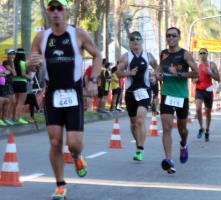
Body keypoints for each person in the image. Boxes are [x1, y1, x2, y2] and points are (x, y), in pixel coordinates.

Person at [26, 0, 102, 199]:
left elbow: (97, 55)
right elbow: (30, 67)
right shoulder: (41, 37)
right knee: (55, 140)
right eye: (52, 8)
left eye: (60, 7)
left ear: (66, 11)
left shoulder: (78, 34)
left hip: (73, 93)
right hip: (52, 93)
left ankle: (77, 156)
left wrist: (93, 80)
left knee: (74, 143)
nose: (56, 12)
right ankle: (60, 184)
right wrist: (30, 64)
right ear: (48, 11)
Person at [156, 27, 199, 174]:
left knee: (182, 129)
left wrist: (179, 74)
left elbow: (196, 73)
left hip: (181, 96)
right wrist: (158, 75)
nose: (171, 38)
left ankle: (183, 144)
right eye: (168, 35)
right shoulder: (164, 54)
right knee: (167, 128)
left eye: (174, 35)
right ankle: (168, 160)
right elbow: (159, 68)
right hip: (167, 94)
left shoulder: (185, 54)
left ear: (179, 37)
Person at [116, 31, 158, 161]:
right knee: (134, 123)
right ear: (129, 42)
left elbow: (157, 67)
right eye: (132, 39)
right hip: (130, 93)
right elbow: (118, 72)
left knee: (141, 119)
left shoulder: (148, 56)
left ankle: (140, 148)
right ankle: (139, 144)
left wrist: (154, 76)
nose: (135, 41)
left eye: (138, 39)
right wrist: (129, 73)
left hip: (144, 91)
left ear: (142, 41)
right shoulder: (125, 57)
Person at [194, 48, 220, 142]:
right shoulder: (196, 65)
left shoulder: (212, 64)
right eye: (200, 53)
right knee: (198, 109)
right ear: (199, 55)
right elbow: (193, 78)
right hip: (199, 90)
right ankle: (201, 128)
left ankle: (207, 131)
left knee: (208, 112)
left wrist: (209, 72)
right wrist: (195, 80)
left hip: (208, 90)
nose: (202, 54)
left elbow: (218, 78)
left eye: (204, 53)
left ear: (207, 54)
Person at [12, 48, 32, 125]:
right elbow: (23, 74)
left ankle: (13, 117)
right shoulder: (22, 63)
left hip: (14, 82)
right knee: (21, 102)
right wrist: (29, 77)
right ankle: (19, 118)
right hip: (22, 83)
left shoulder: (14, 62)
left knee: (16, 101)